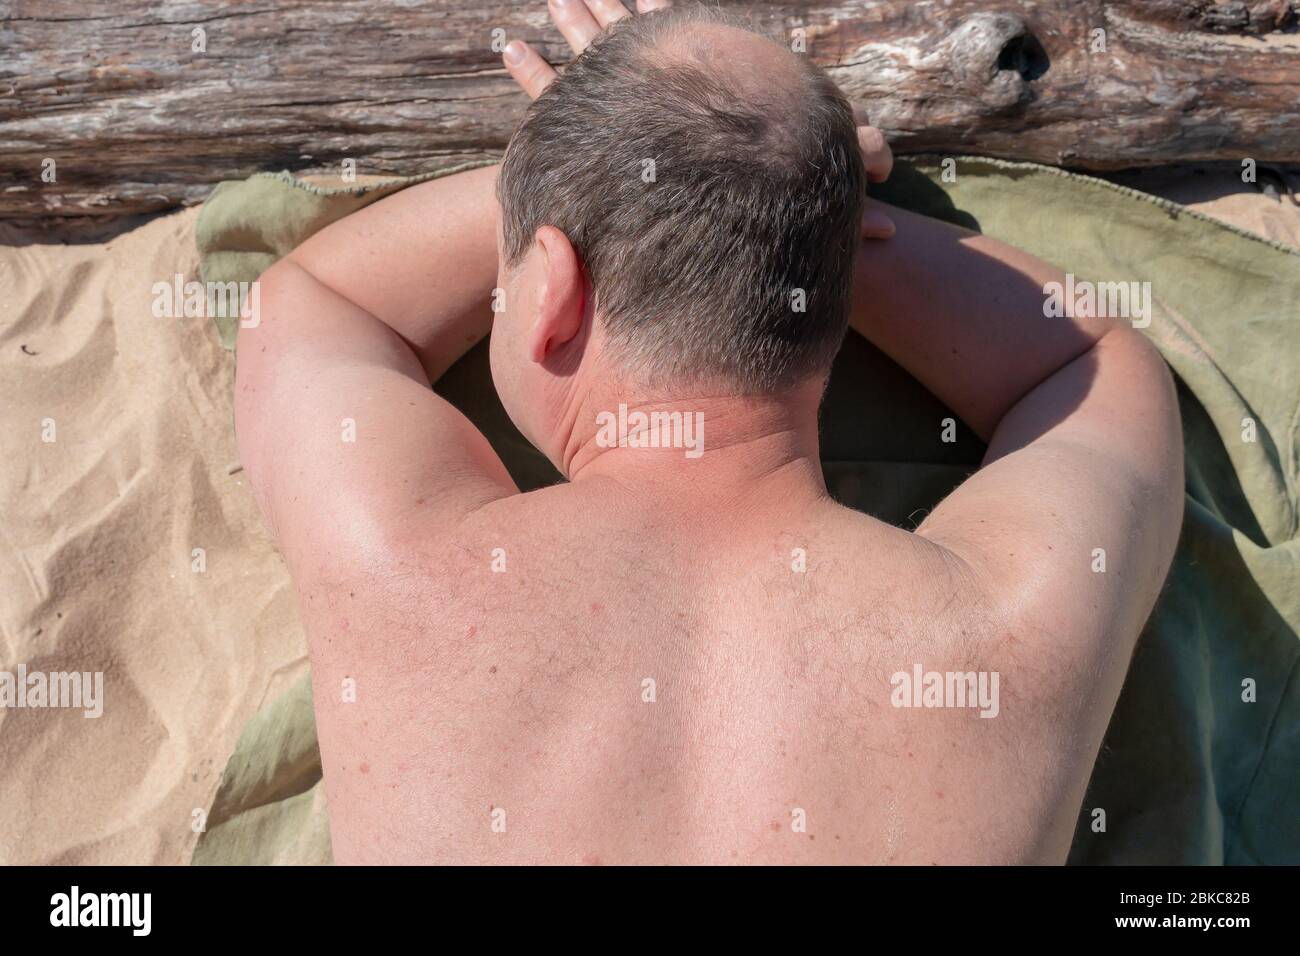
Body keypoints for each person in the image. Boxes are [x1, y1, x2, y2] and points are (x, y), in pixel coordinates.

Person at [234, 0, 1183, 864]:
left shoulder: (397, 558)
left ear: (551, 292)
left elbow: (316, 302)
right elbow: (1088, 359)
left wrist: (610, 173)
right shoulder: (1012, 624)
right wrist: (790, 209)